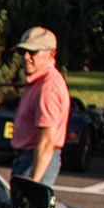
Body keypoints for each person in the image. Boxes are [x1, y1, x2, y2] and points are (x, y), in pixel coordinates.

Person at [10, 27, 69, 188]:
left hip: (35, 161)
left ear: (51, 54)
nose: (26, 57)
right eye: (22, 52)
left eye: (33, 52)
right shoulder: (37, 82)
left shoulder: (48, 87)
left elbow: (47, 141)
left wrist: (33, 184)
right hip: (28, 158)